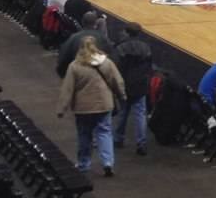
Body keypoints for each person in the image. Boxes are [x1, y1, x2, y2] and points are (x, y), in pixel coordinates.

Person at [55, 35, 126, 179]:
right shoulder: (107, 63)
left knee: (84, 134)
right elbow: (117, 81)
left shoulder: (75, 66)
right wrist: (122, 96)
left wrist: (61, 108)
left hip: (83, 107)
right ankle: (107, 163)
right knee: (104, 132)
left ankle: (83, 164)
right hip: (104, 104)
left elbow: (67, 89)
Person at [111, 23, 154, 158]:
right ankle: (141, 143)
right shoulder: (145, 47)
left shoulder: (120, 47)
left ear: (126, 32)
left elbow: (115, 66)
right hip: (140, 84)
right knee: (140, 113)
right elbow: (149, 66)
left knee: (123, 112)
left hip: (124, 83)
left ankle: (118, 138)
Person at [55, 13, 113, 79]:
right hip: (97, 78)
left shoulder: (74, 37)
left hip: (79, 76)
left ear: (83, 22)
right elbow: (112, 58)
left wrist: (63, 73)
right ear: (95, 23)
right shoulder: (104, 39)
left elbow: (63, 56)